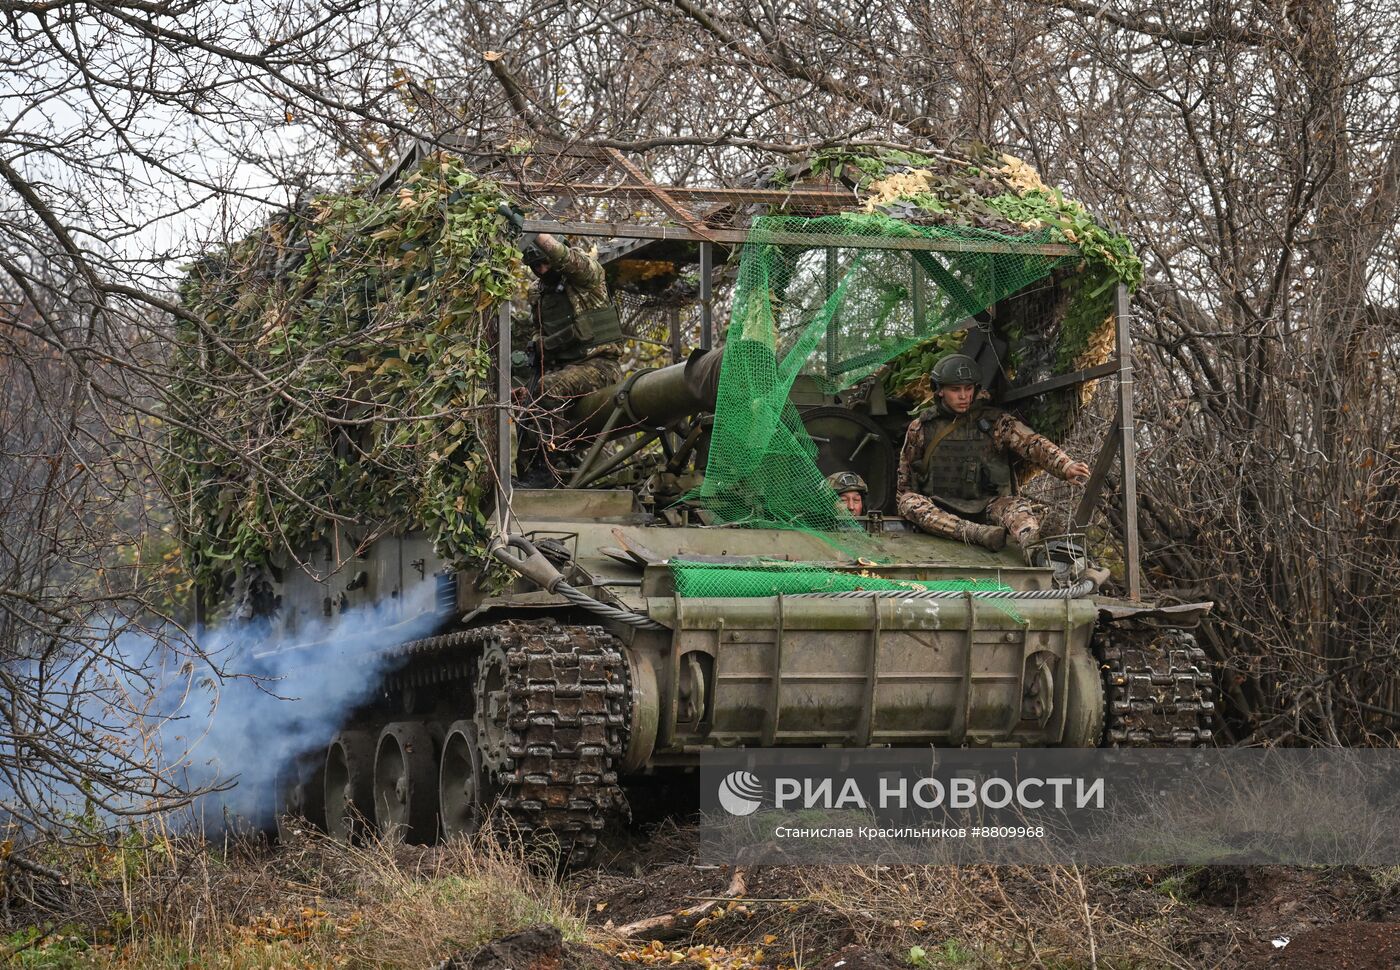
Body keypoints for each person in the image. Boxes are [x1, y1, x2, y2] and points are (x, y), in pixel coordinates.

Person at [896, 354, 1091, 552]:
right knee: (908, 502)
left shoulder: (995, 422)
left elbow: (1032, 443)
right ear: (939, 391)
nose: (963, 396)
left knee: (1018, 509)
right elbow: (905, 482)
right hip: (941, 510)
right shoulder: (921, 428)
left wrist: (1065, 465)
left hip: (990, 507)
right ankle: (977, 534)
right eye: (955, 390)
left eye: (968, 389)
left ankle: (1035, 549)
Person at [513, 232, 625, 485]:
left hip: (600, 366)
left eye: (545, 263)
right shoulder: (538, 292)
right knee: (527, 407)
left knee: (547, 389)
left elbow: (567, 259)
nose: (541, 270)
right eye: (535, 267)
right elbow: (540, 329)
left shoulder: (586, 276)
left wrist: (533, 230)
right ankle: (529, 473)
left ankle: (551, 465)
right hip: (563, 369)